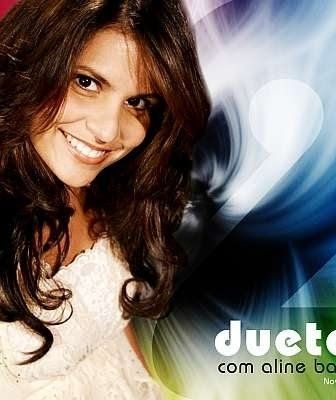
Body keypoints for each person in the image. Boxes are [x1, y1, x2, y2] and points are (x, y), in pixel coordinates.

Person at [0, 0, 210, 398]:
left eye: (138, 103)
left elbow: (115, 336)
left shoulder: (104, 185)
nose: (108, 132)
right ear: (31, 63)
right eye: (86, 82)